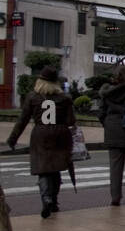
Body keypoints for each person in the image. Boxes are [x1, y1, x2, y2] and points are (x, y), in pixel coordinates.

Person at [6, 65, 74, 218]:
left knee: (43, 169)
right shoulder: (65, 98)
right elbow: (71, 120)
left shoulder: (32, 97)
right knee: (55, 168)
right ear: (56, 82)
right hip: (60, 134)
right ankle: (55, 201)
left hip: (40, 134)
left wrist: (12, 139)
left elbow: (22, 120)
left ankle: (46, 198)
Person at [97, 65, 125, 206]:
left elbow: (101, 112)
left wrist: (108, 123)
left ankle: (115, 197)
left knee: (115, 166)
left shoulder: (107, 92)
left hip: (113, 129)